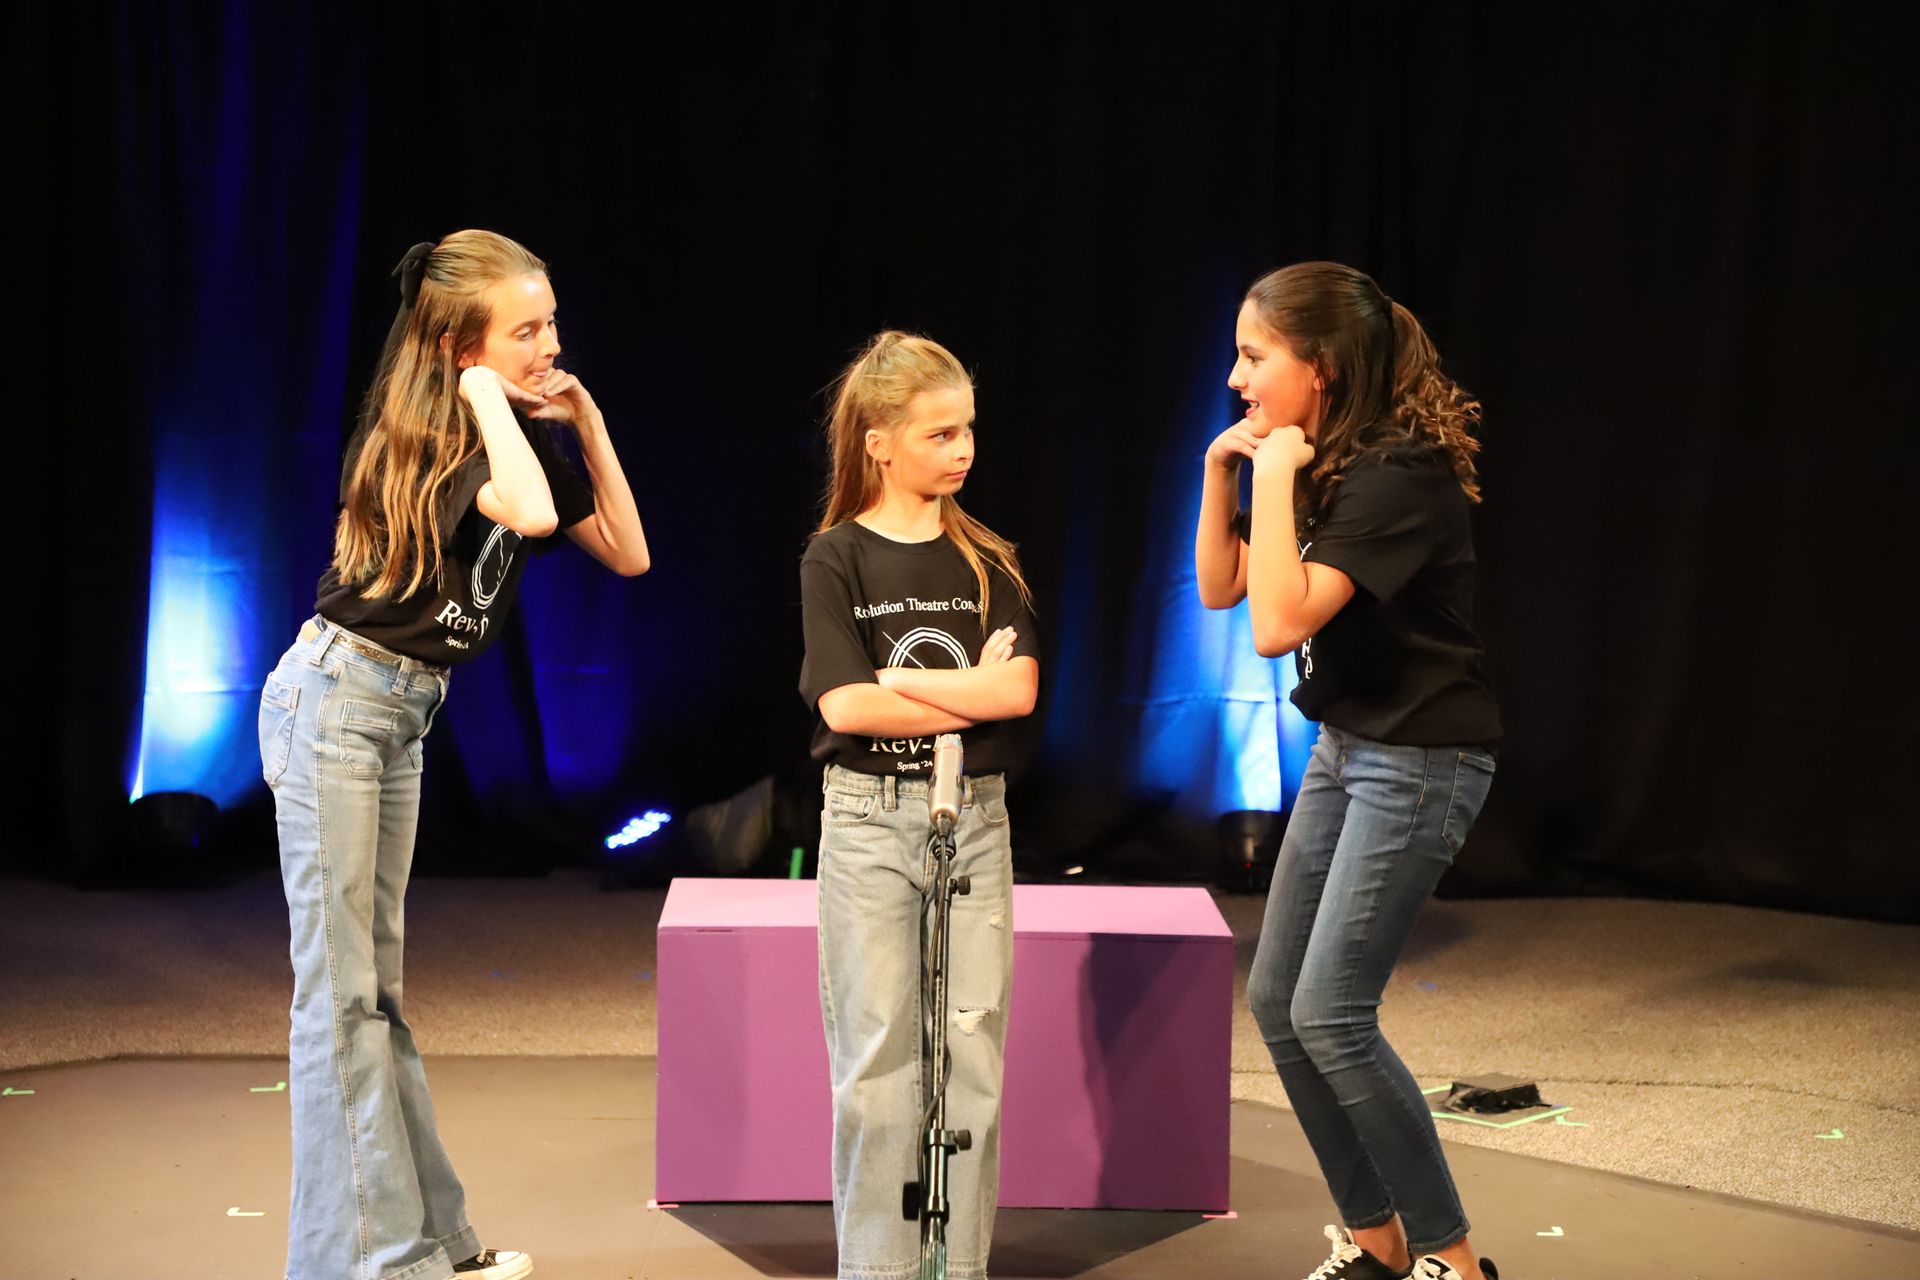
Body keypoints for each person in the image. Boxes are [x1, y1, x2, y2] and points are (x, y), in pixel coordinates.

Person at [258, 229, 648, 1280]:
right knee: (336, 999)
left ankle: (433, 1242)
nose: (547, 346)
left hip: (397, 715)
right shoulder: (433, 435)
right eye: (524, 329)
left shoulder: (514, 433)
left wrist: (590, 421)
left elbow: (628, 548)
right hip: (337, 702)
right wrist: (482, 389)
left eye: (550, 323)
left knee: (373, 996)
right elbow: (521, 510)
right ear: (457, 343)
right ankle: (372, 1261)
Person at [1195, 262, 1502, 1280]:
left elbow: (1277, 625)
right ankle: (1377, 1240)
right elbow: (1220, 587)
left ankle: (1454, 1260)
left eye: (1255, 355)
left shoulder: (1395, 470)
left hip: (1421, 760)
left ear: (1318, 365)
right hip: (1349, 746)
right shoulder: (1321, 454)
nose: (1238, 377)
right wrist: (1223, 471)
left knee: (1331, 1008)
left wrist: (1277, 475)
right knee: (1280, 999)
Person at [798, 331, 1040, 1280]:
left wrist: (914, 684)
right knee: (878, 1065)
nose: (963, 449)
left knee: (969, 1053)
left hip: (974, 815)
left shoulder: (989, 562)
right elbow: (845, 705)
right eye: (940, 433)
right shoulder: (835, 559)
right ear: (879, 441)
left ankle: (958, 1268)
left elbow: (1018, 695)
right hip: (867, 819)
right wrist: (961, 688)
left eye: (968, 430)